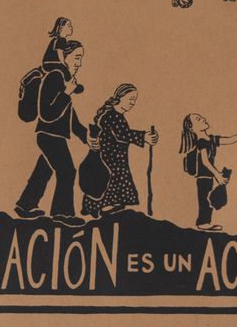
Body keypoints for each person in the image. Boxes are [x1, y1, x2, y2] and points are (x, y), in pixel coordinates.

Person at [15, 44, 89, 223]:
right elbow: (46, 114)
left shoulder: (63, 79)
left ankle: (25, 205)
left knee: (43, 170)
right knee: (67, 171)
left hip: (53, 135)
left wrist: (85, 136)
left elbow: (70, 117)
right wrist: (66, 93)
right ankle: (62, 213)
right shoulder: (54, 77)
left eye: (81, 58)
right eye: (76, 57)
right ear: (64, 57)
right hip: (49, 136)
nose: (79, 63)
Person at [81, 84, 156, 217]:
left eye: (134, 100)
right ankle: (102, 208)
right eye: (130, 99)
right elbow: (122, 134)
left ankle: (97, 207)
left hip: (115, 158)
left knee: (111, 184)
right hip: (110, 159)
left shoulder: (115, 115)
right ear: (120, 97)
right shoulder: (113, 116)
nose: (133, 103)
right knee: (109, 183)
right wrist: (143, 137)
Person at [180, 113, 237, 231]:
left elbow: (228, 140)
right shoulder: (201, 142)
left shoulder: (211, 139)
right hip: (203, 176)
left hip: (209, 175)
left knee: (208, 198)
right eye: (198, 119)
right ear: (191, 128)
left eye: (201, 117)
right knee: (205, 199)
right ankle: (203, 222)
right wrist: (217, 174)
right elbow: (205, 161)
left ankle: (206, 221)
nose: (203, 119)